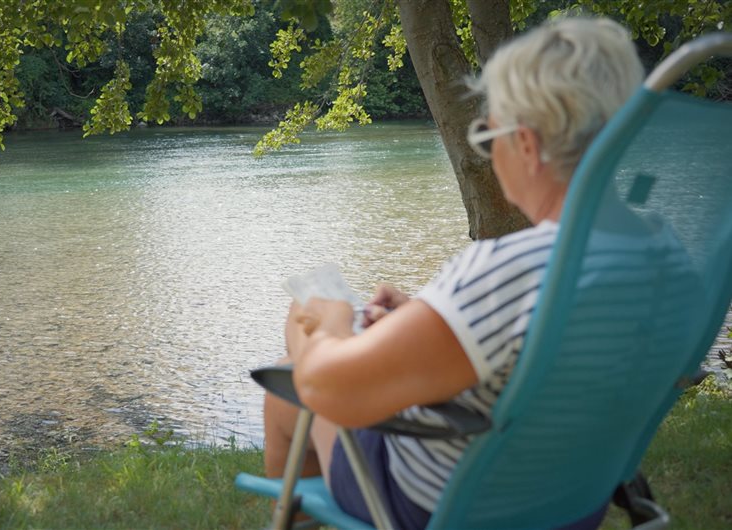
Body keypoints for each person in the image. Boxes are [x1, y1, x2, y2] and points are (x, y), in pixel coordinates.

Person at [263, 17, 646, 530]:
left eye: (488, 134)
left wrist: (332, 323)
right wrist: (430, 318)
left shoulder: (513, 269)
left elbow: (328, 388)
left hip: (446, 500)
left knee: (294, 361)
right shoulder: (660, 256)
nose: (489, 153)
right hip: (570, 501)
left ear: (525, 144)